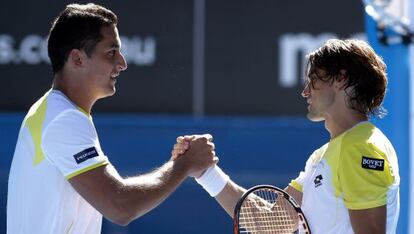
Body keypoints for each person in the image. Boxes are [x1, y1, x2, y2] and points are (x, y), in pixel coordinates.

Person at [7, 3, 217, 234]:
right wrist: (184, 165)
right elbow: (120, 206)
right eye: (111, 52)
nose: (122, 63)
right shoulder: (64, 119)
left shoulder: (54, 112)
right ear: (77, 59)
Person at [174, 39, 400, 233]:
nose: (305, 91)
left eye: (313, 79)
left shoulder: (361, 146)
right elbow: (271, 224)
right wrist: (206, 173)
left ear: (340, 78)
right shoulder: (323, 155)